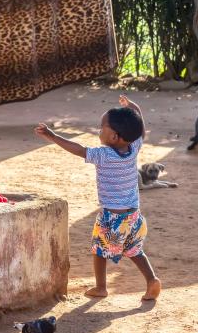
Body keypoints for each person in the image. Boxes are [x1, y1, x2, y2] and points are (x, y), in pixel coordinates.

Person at [34, 95, 162, 301]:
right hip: (134, 217)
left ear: (114, 137)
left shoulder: (104, 155)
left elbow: (79, 150)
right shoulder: (133, 148)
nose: (98, 131)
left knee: (99, 250)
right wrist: (134, 107)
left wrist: (53, 136)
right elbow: (142, 130)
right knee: (135, 250)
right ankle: (152, 280)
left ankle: (101, 287)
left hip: (112, 217)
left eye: (102, 128)